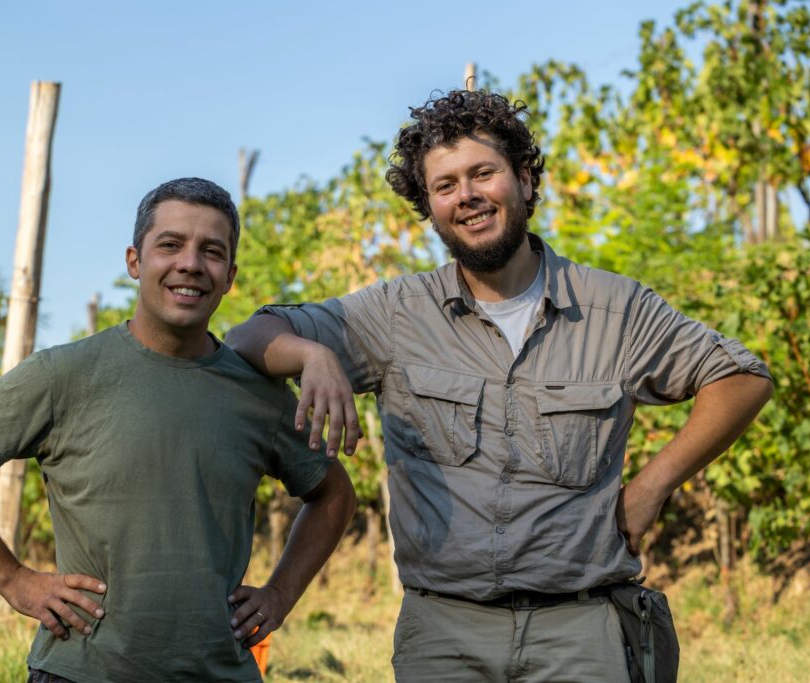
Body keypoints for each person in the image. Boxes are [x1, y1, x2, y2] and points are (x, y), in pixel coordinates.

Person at [226, 91, 773, 682]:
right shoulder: (396, 314)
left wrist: (653, 485)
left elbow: (742, 377)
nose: (466, 195)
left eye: (483, 173)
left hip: (581, 631)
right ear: (430, 208)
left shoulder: (615, 309)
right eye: (445, 185)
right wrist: (312, 354)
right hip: (443, 636)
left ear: (526, 180)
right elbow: (248, 336)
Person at [0, 177, 356, 683]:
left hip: (220, 672)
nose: (190, 264)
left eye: (211, 251)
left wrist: (280, 594)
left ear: (229, 276)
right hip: (82, 671)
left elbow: (334, 494)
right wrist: (13, 580)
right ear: (134, 261)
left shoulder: (258, 393)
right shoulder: (63, 374)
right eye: (170, 245)